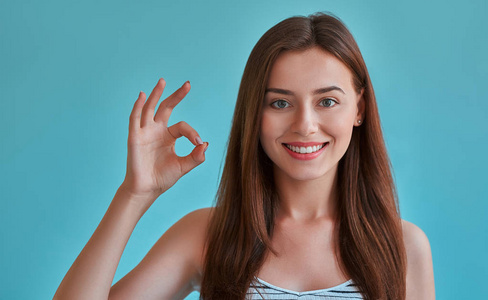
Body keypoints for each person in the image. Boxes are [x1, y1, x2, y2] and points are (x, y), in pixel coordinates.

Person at [54, 12, 435, 300]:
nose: (305, 125)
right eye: (280, 102)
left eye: (327, 101)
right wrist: (134, 194)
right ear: (255, 113)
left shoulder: (403, 248)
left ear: (360, 110)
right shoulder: (207, 235)